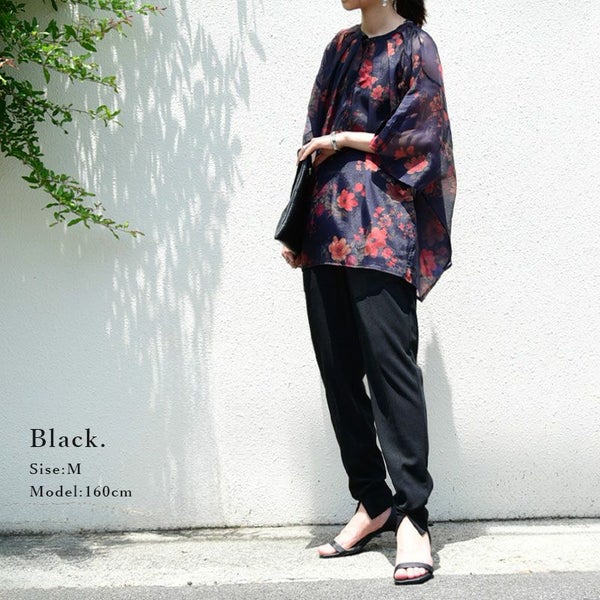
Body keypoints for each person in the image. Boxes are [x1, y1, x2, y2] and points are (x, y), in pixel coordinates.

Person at [280, 0, 456, 586]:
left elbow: (422, 139)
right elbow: (311, 138)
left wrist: (345, 138)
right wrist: (297, 223)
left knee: (390, 372)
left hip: (381, 231)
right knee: (337, 372)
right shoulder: (339, 47)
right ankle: (371, 500)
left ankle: (412, 518)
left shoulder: (415, 47)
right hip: (325, 229)